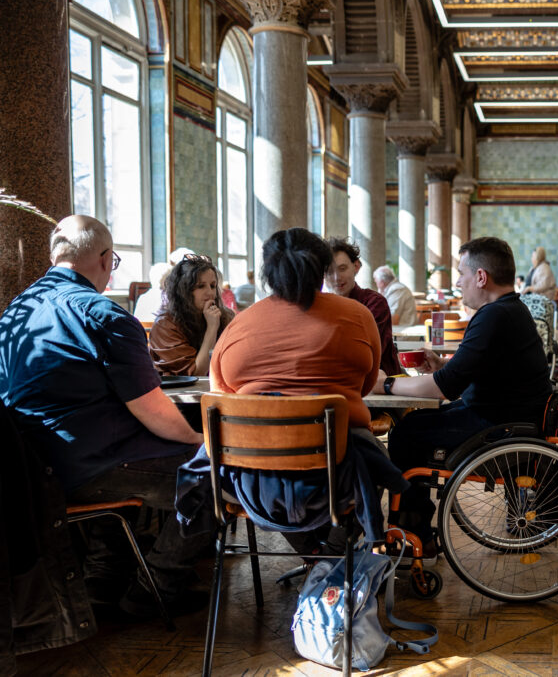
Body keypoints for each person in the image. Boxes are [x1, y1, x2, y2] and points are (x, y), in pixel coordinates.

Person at [0, 215, 210, 618]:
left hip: (26, 469)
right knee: (217, 475)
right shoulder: (104, 315)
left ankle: (104, 577)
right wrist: (199, 441)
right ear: (104, 258)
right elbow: (152, 412)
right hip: (84, 465)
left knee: (127, 458)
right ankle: (155, 589)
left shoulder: (14, 312)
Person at [201, 227, 406, 548]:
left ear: (267, 271)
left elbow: (220, 394)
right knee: (374, 457)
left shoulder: (238, 325)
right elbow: (366, 385)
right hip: (336, 476)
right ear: (321, 269)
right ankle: (331, 560)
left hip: (255, 482)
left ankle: (315, 558)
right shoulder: (357, 315)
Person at [376, 237, 553, 554]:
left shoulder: (494, 316)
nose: (458, 281)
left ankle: (414, 537)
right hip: (507, 415)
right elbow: (488, 369)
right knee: (412, 424)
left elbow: (443, 388)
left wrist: (385, 385)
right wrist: (445, 365)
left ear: (481, 277)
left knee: (405, 433)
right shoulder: (508, 310)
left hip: (499, 425)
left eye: (461, 273)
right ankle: (414, 532)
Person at [148, 254, 233, 376]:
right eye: (200, 286)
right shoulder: (165, 325)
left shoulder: (224, 316)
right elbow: (196, 373)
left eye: (213, 286)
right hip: (179, 393)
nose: (210, 293)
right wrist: (212, 328)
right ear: (183, 290)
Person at [326, 238, 402, 376]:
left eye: (342, 269)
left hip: (380, 384)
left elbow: (366, 353)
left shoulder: (375, 302)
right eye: (329, 271)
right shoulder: (322, 306)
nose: (336, 277)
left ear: (356, 267)